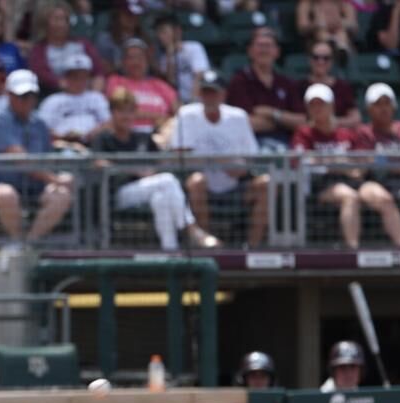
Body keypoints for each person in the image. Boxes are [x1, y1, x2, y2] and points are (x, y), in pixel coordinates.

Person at [91, 88, 218, 250]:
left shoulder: (143, 138)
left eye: (129, 111)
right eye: (121, 111)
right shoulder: (103, 138)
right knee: (167, 181)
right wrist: (134, 171)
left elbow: (160, 162)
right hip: (117, 194)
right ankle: (191, 229)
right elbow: (98, 162)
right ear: (112, 113)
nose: (126, 116)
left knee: (162, 198)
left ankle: (170, 250)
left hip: (149, 189)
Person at [292, 83, 400, 249]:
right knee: (350, 197)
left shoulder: (346, 132)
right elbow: (302, 161)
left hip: (355, 179)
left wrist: (343, 165)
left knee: (383, 197)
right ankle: (353, 250)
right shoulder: (303, 133)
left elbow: (363, 161)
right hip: (323, 184)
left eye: (321, 104)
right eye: (313, 105)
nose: (317, 109)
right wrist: (340, 164)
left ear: (331, 106)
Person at [0, 69, 75, 259]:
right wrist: (54, 178)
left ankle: (28, 244)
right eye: (21, 96)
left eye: (30, 96)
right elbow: (20, 159)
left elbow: (47, 156)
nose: (26, 101)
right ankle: (16, 240)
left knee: (61, 195)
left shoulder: (39, 123)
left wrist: (60, 177)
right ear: (9, 95)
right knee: (6, 194)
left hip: (35, 186)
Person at [166, 70, 270, 247]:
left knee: (265, 183)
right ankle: (206, 245)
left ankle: (252, 247)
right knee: (197, 181)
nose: (210, 97)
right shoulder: (187, 114)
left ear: (223, 94)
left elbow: (251, 159)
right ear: (199, 94)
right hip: (200, 189)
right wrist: (219, 162)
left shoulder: (238, 117)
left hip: (235, 186)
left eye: (214, 92)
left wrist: (238, 169)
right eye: (206, 92)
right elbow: (179, 157)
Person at [354, 83, 400, 223]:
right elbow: (371, 160)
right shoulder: (364, 132)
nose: (384, 108)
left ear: (394, 106)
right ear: (368, 109)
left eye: (387, 103)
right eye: (378, 104)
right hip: (387, 183)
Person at [226, 28, 305, 150]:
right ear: (250, 51)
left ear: (277, 52)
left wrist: (272, 113)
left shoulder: (286, 82)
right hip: (251, 144)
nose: (264, 50)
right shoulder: (239, 81)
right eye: (260, 45)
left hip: (286, 145)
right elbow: (243, 123)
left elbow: (301, 122)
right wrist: (284, 122)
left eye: (268, 46)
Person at [26, 1, 104, 95]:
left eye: (65, 19)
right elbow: (44, 75)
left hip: (86, 94)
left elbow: (98, 72)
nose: (61, 24)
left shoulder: (83, 44)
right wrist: (71, 86)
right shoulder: (39, 50)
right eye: (57, 19)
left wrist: (94, 95)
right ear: (45, 22)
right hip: (53, 95)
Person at [104, 38, 179, 133]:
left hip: (161, 135)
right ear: (123, 62)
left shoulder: (160, 85)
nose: (136, 62)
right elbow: (120, 112)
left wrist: (167, 121)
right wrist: (158, 116)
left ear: (147, 60)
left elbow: (178, 113)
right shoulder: (115, 81)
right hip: (127, 135)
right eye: (131, 57)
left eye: (140, 57)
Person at [37, 53, 110, 149]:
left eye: (83, 76)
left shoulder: (97, 98)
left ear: (88, 77)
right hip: (61, 147)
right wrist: (62, 136)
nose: (79, 80)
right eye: (74, 76)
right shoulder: (52, 100)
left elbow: (108, 123)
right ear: (65, 78)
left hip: (93, 146)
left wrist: (93, 133)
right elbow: (41, 128)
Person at [293, 40, 360, 128]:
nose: (321, 62)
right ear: (309, 59)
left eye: (326, 58)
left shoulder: (343, 87)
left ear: (332, 61)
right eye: (316, 57)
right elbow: (294, 118)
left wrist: (328, 123)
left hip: (338, 137)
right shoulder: (298, 86)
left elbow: (355, 118)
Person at [150, 12, 211, 105]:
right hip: (178, 103)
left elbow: (199, 76)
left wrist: (193, 102)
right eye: (158, 33)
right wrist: (170, 56)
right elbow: (171, 83)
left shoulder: (194, 47)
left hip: (197, 101)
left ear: (177, 31)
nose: (160, 36)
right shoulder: (163, 59)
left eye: (163, 32)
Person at [94, 0, 145, 74]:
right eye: (128, 14)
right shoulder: (105, 40)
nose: (132, 18)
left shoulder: (145, 40)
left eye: (136, 15)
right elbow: (102, 69)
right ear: (118, 14)